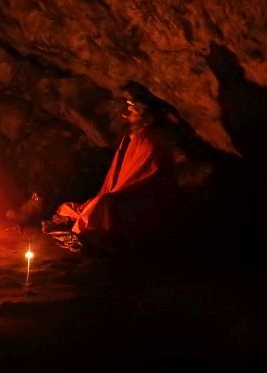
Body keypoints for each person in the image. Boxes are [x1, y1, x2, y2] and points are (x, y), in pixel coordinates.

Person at [43, 88, 175, 253]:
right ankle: (86, 223)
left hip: (140, 204)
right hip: (121, 197)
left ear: (146, 118)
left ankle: (88, 235)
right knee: (71, 208)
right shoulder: (129, 140)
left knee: (104, 205)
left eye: (132, 112)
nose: (125, 116)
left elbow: (141, 182)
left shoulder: (150, 143)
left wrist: (113, 198)